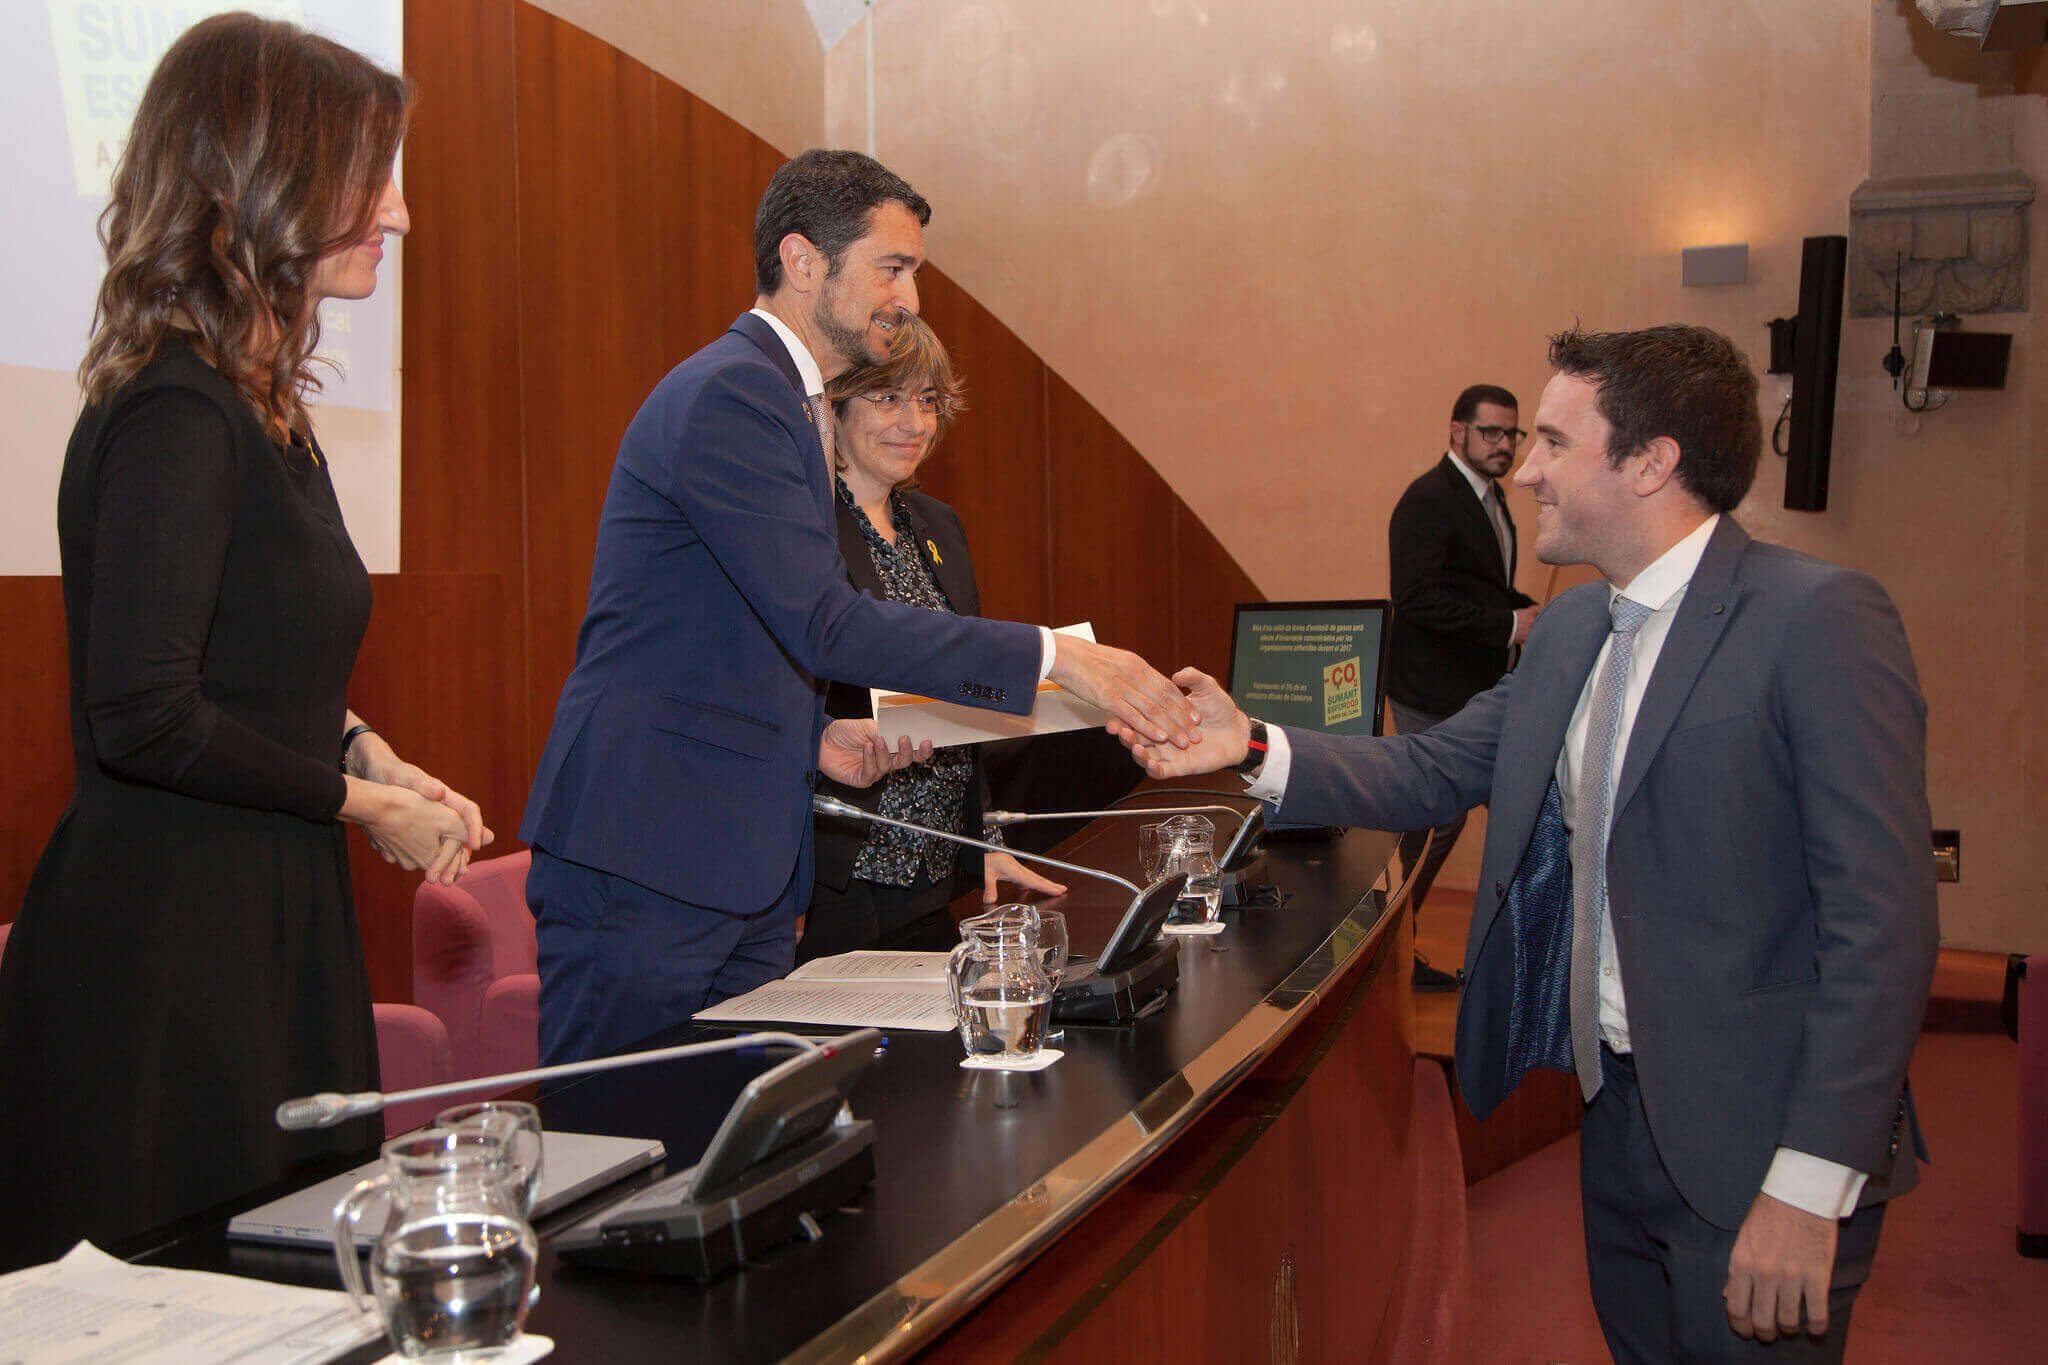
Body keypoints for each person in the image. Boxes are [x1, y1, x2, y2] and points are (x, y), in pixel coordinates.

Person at [1113, 325, 1937, 1362]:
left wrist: (1809, 1187)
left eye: (1551, 440)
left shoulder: (1816, 618)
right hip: (1619, 1122)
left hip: (1763, 1144)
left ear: (1650, 462)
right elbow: (1430, 770)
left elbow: (1882, 927)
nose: (1527, 468)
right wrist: (1250, 744)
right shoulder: (1570, 629)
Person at [519, 149, 1196, 1066]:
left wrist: (810, 742)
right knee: (623, 1149)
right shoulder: (734, 392)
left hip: (737, 865)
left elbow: (714, 642)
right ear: (804, 262)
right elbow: (825, 622)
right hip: (650, 854)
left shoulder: (782, 400)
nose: (910, 299)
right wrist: (1058, 658)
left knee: (740, 1169)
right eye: (893, 267)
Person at [0, 14, 490, 1272]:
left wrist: (371, 753)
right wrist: (357, 805)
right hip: (165, 969)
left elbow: (258, 664)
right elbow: (146, 715)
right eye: (371, 173)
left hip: (267, 926)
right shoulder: (174, 408)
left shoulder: (268, 410)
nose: (401, 213)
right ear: (267, 181)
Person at [800, 315, 1067, 962]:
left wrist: (987, 841)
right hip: (842, 872)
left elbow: (965, 684)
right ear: (835, 403)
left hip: (937, 870)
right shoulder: (803, 527)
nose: (914, 423)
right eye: (888, 396)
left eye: (927, 401)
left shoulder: (937, 524)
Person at [1387, 383, 1539, 991]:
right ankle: (1386, 954)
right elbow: (1416, 599)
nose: (1505, 445)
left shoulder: (1490, 497)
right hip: (1431, 690)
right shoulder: (1427, 499)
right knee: (1432, 824)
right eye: (1491, 433)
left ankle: (1401, 954)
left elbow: (1480, 587)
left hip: (1480, 688)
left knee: (1502, 817)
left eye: (1513, 434)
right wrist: (1510, 623)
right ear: (1458, 433)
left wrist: (1531, 611)